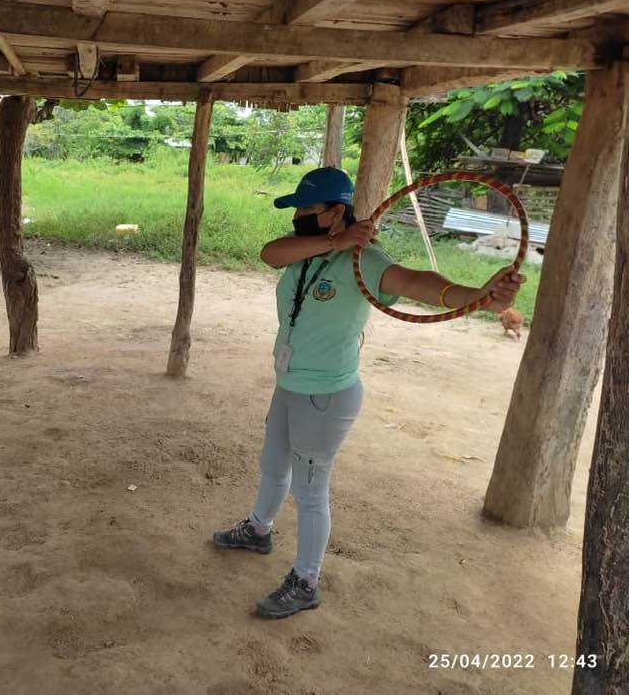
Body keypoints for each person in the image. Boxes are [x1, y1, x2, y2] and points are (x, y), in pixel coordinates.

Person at [212, 167, 524, 619]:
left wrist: (477, 295)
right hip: (289, 383)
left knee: (310, 491)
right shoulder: (306, 248)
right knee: (273, 464)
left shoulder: (365, 260)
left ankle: (306, 581)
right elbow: (269, 253)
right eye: (296, 209)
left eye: (306, 208)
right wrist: (333, 241)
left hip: (325, 396)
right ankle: (259, 530)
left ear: (335, 211)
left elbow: (414, 282)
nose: (298, 216)